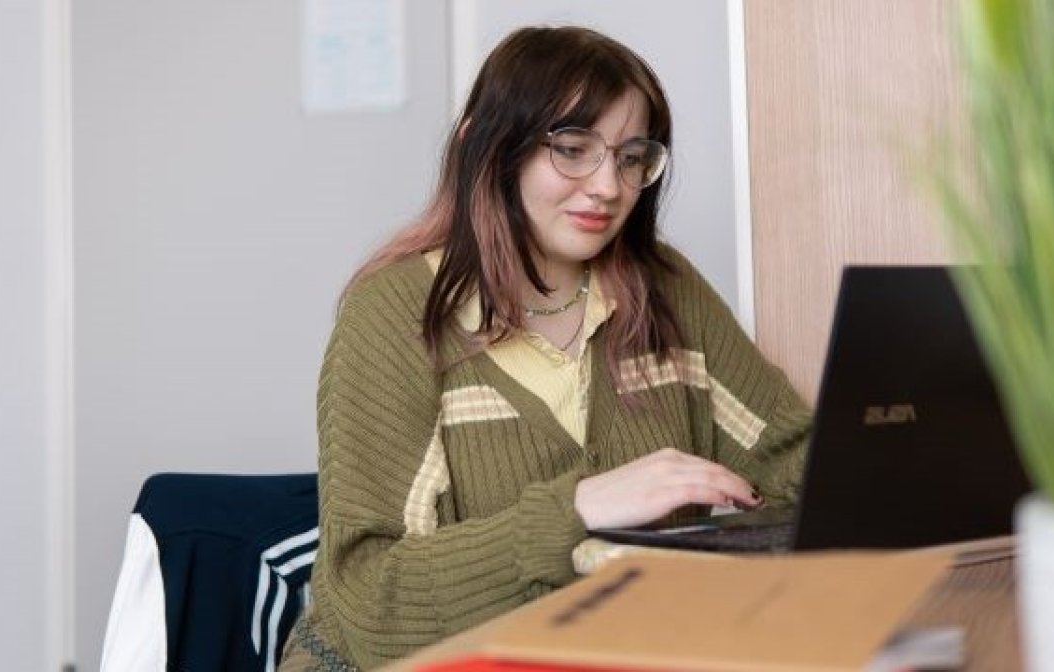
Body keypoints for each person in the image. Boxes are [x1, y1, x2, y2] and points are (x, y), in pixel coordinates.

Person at [277, 25, 811, 671]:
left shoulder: (664, 289)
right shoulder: (394, 315)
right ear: (489, 147)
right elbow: (371, 605)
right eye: (572, 148)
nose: (608, 186)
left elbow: (791, 459)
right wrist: (579, 508)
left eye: (630, 156)